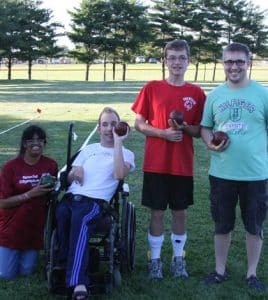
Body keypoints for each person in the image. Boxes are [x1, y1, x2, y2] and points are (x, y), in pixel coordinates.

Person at [131, 39, 206, 279]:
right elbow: (139, 123)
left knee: (180, 212)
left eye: (181, 58)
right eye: (172, 58)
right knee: (156, 212)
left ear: (188, 61)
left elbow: (199, 130)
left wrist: (183, 128)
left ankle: (177, 259)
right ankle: (154, 261)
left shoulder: (196, 93)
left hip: (182, 164)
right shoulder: (152, 87)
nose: (176, 62)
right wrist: (162, 133)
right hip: (156, 163)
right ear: (165, 61)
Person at [201, 42, 268, 292]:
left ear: (248, 62)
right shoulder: (215, 95)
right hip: (222, 173)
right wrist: (210, 143)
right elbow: (205, 127)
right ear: (223, 64)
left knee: (254, 225)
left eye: (240, 61)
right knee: (222, 224)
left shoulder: (262, 94)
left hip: (256, 174)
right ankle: (220, 270)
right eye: (229, 61)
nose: (234, 66)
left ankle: (252, 274)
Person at [55, 107, 135, 300]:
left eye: (114, 124)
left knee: (81, 220)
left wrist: (117, 142)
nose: (109, 128)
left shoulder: (127, 154)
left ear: (121, 127)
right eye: (105, 124)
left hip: (95, 203)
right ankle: (67, 264)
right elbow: (65, 178)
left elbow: (118, 174)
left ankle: (78, 283)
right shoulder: (87, 150)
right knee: (62, 213)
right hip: (71, 198)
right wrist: (74, 173)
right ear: (98, 128)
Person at [0, 125, 58, 280]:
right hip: (11, 228)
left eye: (40, 140)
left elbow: (53, 194)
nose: (36, 143)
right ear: (24, 144)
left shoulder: (51, 165)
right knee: (6, 274)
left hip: (34, 229)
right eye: (31, 140)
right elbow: (3, 203)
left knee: (27, 271)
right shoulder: (10, 168)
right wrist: (30, 194)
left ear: (44, 144)